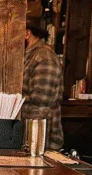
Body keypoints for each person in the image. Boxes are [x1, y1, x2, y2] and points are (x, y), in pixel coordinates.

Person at [22, 21, 64, 151]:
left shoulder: (45, 57)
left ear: (27, 33)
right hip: (29, 139)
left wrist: (15, 99)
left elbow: (41, 99)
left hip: (42, 143)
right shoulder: (31, 56)